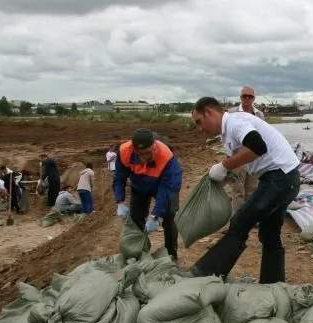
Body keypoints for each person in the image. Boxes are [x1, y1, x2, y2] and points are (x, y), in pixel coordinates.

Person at [189, 97, 301, 283]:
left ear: (209, 112)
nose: (200, 128)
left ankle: (205, 276)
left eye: (199, 122)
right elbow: (243, 158)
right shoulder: (228, 132)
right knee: (269, 234)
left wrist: (224, 165)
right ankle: (273, 284)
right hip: (285, 179)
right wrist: (224, 175)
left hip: (280, 179)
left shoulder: (235, 121)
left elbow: (258, 147)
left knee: (240, 223)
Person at [113, 128, 183, 261]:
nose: (151, 155)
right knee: (136, 217)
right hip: (139, 185)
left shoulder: (166, 157)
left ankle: (171, 255)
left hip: (163, 185)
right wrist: (120, 202)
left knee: (168, 218)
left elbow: (167, 189)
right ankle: (137, 251)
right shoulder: (125, 152)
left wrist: (155, 216)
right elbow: (119, 178)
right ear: (136, 151)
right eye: (145, 153)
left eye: (153, 150)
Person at [228, 86, 265, 216]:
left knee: (252, 190)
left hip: (254, 158)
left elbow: (263, 136)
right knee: (238, 190)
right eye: (245, 96)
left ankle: (249, 219)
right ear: (240, 97)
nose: (247, 98)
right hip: (238, 157)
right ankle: (236, 218)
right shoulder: (231, 113)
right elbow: (227, 135)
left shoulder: (259, 115)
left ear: (254, 98)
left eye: (250, 96)